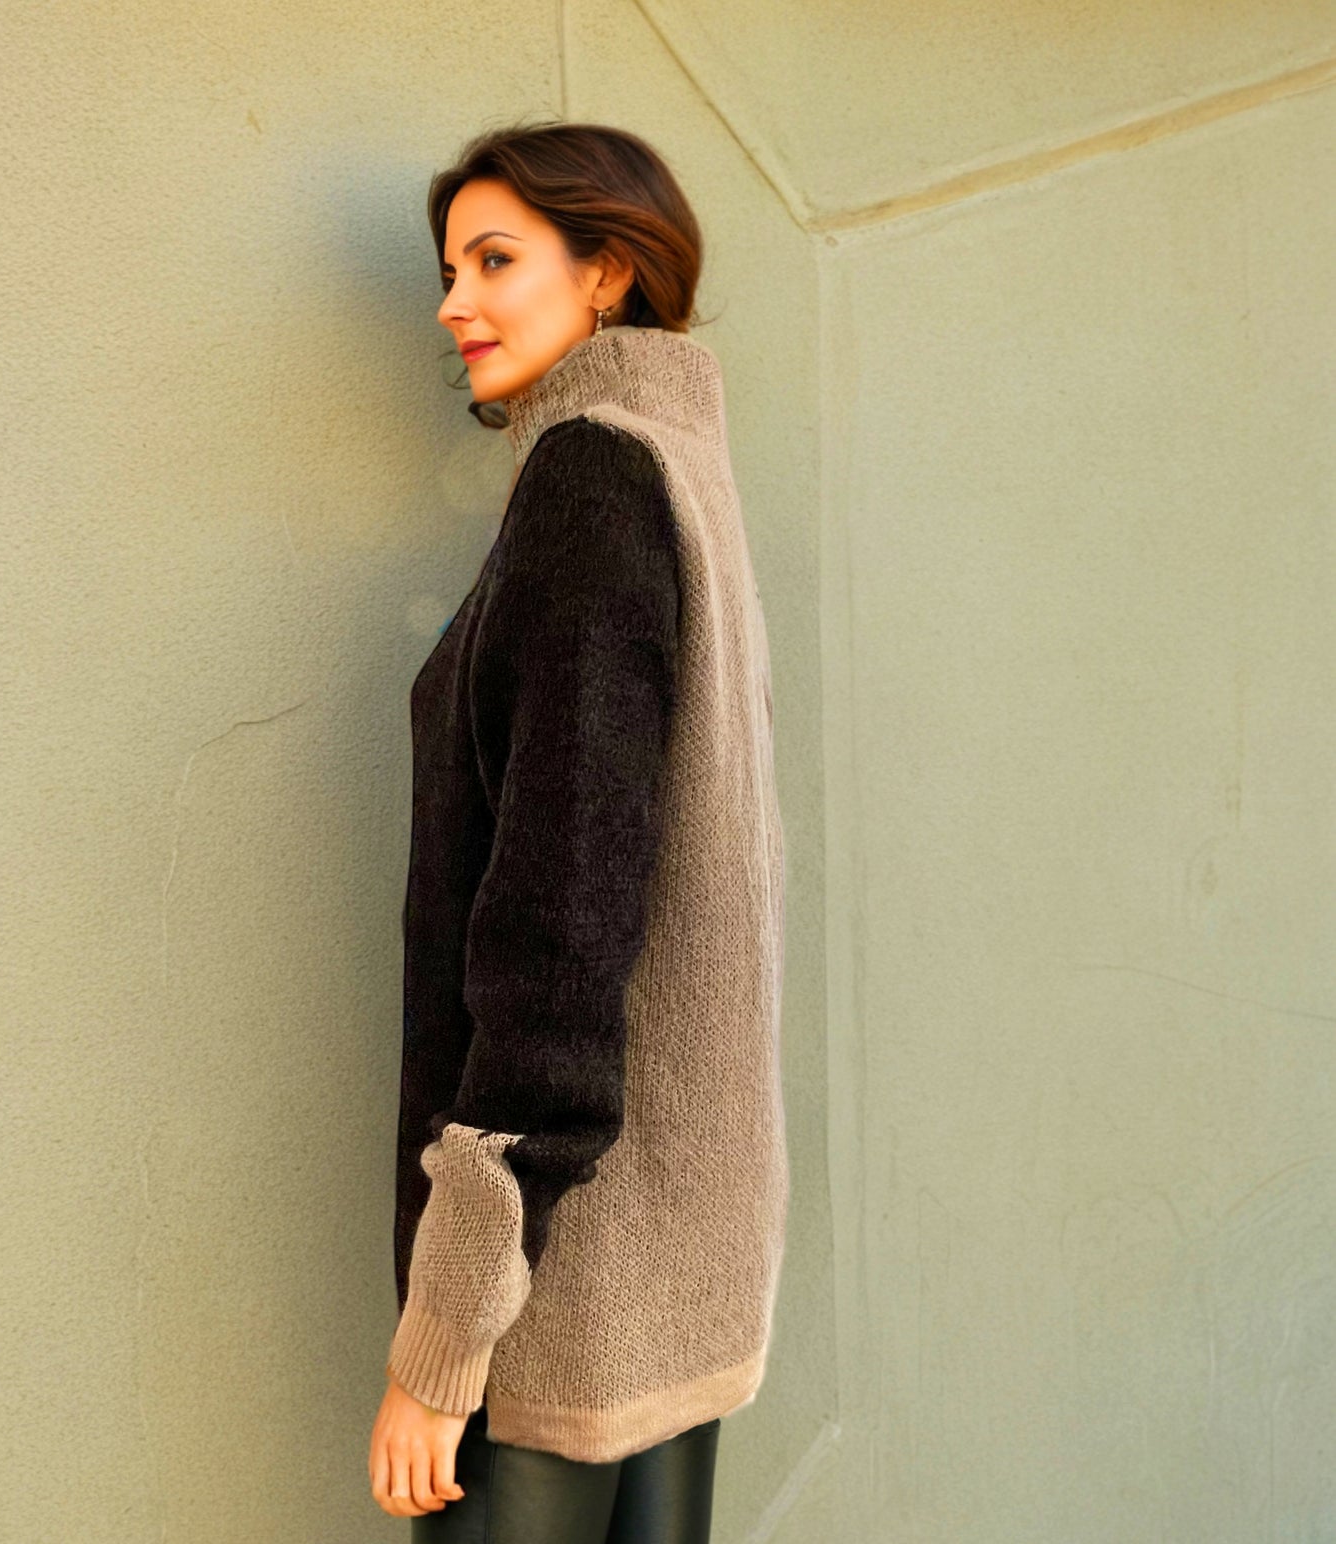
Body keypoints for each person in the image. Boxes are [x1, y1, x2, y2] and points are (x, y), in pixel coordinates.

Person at [369, 119, 788, 1542]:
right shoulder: (687, 470)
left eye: (495, 261)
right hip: (681, 1259)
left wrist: (443, 1341)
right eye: (449, 270)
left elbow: (560, 920)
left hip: (557, 1280)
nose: (454, 303)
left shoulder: (592, 476)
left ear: (608, 271)